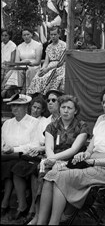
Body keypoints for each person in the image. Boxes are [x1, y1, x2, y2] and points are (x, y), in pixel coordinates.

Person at [38, 87, 105, 225]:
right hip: (90, 164)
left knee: (60, 176)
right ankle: (42, 221)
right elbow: (90, 150)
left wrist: (92, 161)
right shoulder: (102, 122)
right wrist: (84, 154)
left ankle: (55, 222)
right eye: (103, 102)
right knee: (51, 175)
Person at [30, 95, 89, 226]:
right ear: (60, 109)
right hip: (53, 160)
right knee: (43, 173)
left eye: (69, 108)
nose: (66, 110)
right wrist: (52, 160)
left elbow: (74, 149)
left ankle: (45, 219)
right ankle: (40, 218)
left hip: (72, 162)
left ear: (76, 111)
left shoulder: (82, 126)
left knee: (49, 176)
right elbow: (49, 147)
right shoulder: (52, 126)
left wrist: (54, 160)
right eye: (63, 107)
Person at [1, 93, 40, 221]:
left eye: (18, 106)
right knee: (8, 165)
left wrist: (14, 149)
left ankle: (18, 205)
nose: (14, 109)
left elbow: (34, 145)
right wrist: (7, 148)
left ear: (26, 107)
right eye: (12, 106)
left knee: (16, 167)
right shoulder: (7, 123)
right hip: (8, 157)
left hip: (26, 157)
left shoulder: (34, 122)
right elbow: (2, 143)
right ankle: (7, 202)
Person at [28, 26, 66, 95]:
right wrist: (43, 69)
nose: (53, 36)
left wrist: (47, 69)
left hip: (59, 67)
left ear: (59, 34)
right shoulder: (49, 46)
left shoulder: (63, 45)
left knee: (47, 77)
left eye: (55, 34)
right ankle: (35, 95)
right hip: (49, 66)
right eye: (51, 35)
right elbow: (46, 61)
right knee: (37, 77)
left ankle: (45, 94)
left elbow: (61, 62)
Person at [1, 28, 17, 94]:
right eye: (2, 35)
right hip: (2, 65)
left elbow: (12, 61)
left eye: (6, 35)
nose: (3, 37)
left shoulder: (12, 45)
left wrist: (5, 66)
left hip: (9, 66)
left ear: (9, 36)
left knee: (4, 74)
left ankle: (3, 91)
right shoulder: (2, 44)